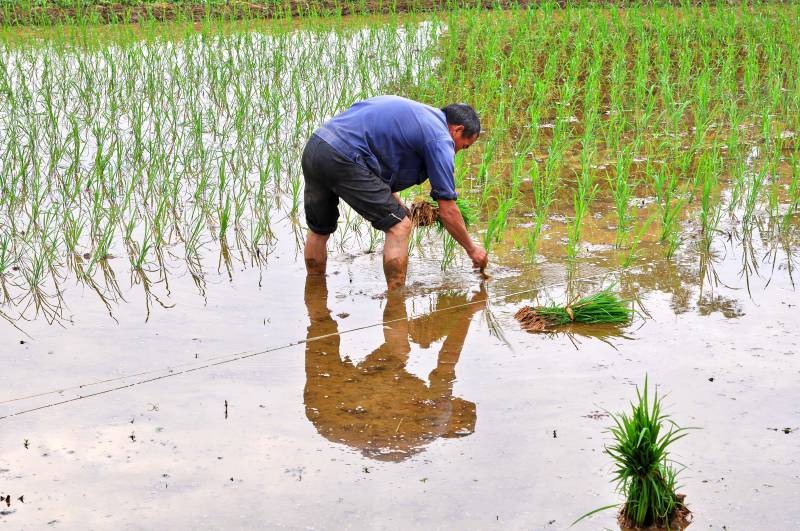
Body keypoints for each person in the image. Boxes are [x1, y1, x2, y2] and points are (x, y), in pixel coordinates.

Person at [301, 95, 489, 290]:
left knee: (319, 230)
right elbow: (448, 209)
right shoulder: (440, 138)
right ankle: (396, 300)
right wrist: (472, 250)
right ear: (457, 130)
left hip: (316, 146)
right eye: (463, 146)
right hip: (343, 158)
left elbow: (371, 152)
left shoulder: (419, 115)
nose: (456, 152)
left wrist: (395, 201)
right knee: (399, 226)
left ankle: (315, 295)